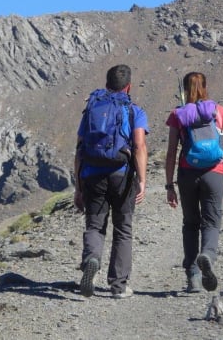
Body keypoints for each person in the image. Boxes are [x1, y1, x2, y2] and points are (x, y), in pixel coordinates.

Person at [74, 64, 149, 299]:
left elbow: (79, 149)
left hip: (93, 174)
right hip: (122, 174)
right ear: (129, 86)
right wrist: (143, 180)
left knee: (95, 225)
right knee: (123, 229)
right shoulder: (134, 110)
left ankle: (92, 260)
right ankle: (118, 286)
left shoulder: (92, 109)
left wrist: (78, 186)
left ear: (106, 84)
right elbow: (139, 146)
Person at [164, 71, 223, 293]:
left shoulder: (178, 115)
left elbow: (170, 153)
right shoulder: (219, 112)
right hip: (214, 172)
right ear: (205, 87)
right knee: (212, 222)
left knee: (190, 223)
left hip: (187, 173)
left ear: (185, 89)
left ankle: (193, 276)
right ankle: (207, 254)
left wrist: (169, 186)